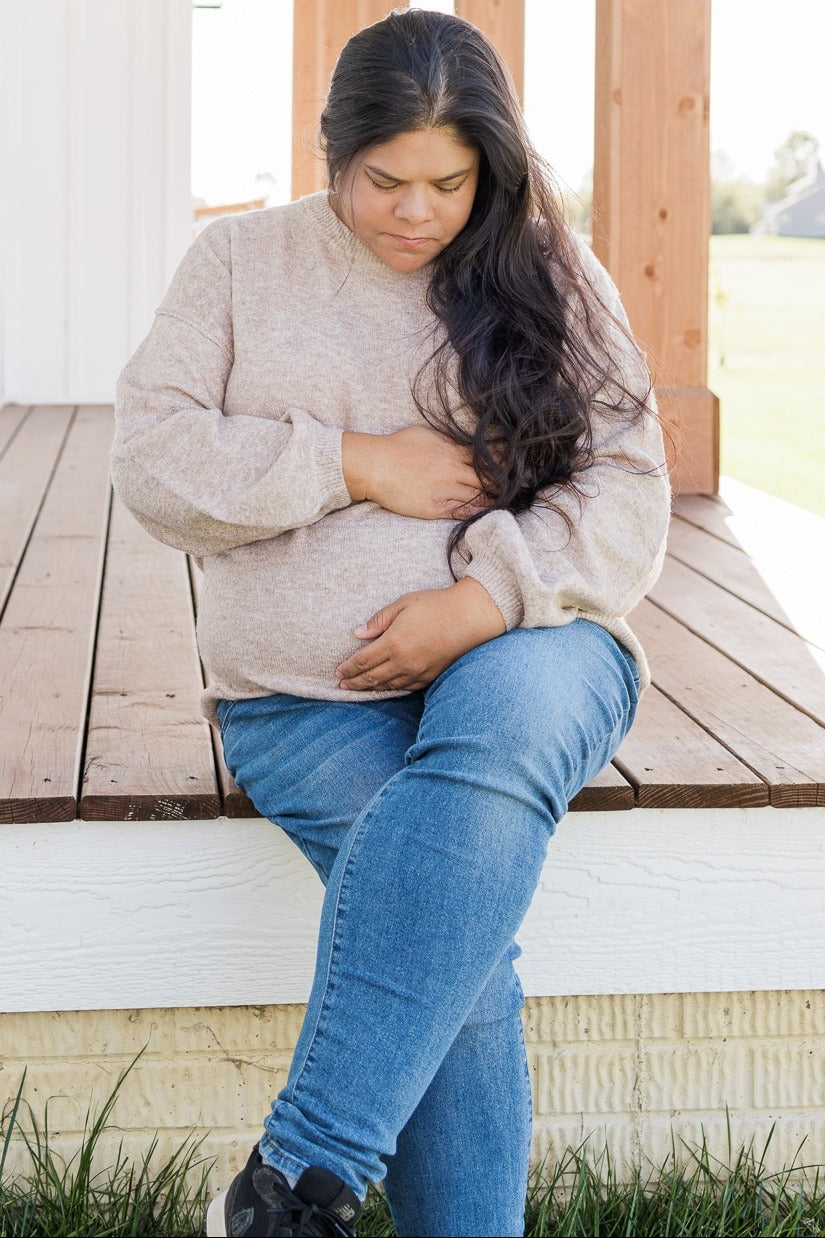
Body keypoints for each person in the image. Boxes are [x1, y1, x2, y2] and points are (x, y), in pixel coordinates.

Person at [112, 9, 670, 1236]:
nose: (417, 213)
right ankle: (296, 1202)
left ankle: (297, 1175)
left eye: (450, 184)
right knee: (453, 955)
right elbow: (151, 461)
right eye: (385, 181)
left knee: (492, 760)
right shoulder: (239, 264)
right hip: (306, 701)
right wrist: (355, 462)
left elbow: (630, 486)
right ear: (333, 152)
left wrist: (480, 602)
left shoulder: (549, 269)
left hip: (538, 643)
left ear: (490, 169)